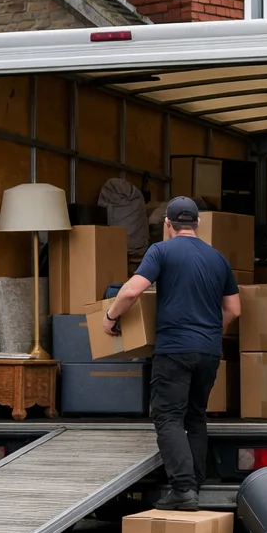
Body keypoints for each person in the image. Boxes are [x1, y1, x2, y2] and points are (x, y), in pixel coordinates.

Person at [105, 196, 240, 512]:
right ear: (197, 223)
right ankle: (194, 484)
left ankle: (182, 490)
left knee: (168, 416)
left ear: (167, 223)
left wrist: (110, 317)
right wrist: (208, 332)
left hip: (175, 350)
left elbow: (131, 291)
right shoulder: (217, 258)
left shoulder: (160, 251)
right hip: (208, 351)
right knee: (195, 416)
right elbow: (234, 309)